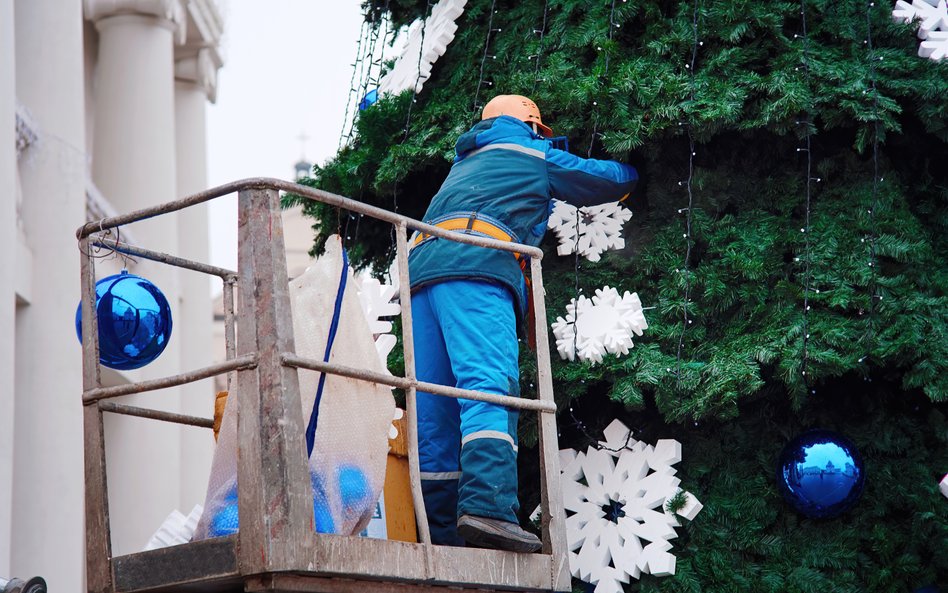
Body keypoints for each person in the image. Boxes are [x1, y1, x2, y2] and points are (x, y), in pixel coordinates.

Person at [407, 94, 638, 552]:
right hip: (475, 264)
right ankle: (488, 508)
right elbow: (600, 180)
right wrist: (634, 170)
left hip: (419, 275)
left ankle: (439, 533)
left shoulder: (463, 162)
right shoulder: (528, 150)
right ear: (531, 124)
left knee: (435, 409)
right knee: (487, 385)